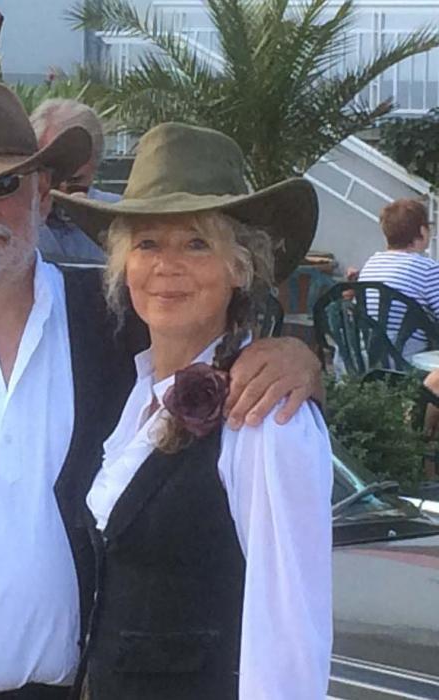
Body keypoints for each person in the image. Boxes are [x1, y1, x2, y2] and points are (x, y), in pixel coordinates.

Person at [0, 83, 324, 700]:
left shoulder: (123, 324)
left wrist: (300, 360)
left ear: (43, 195)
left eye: (2, 185)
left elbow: (220, 342)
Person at [55, 122, 332, 698]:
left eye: (197, 243)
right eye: (147, 244)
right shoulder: (135, 392)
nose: (167, 265)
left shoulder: (265, 417)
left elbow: (289, 631)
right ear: (123, 265)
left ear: (240, 267)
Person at [31, 99, 120, 264]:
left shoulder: (119, 216)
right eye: (53, 177)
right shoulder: (13, 214)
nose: (61, 189)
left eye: (74, 180)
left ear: (94, 169)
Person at [358, 198, 439, 357]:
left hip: (363, 354)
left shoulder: (372, 262)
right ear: (423, 231)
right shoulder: (427, 269)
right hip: (405, 356)